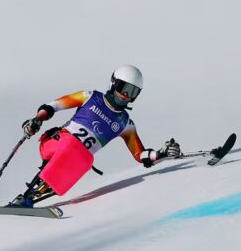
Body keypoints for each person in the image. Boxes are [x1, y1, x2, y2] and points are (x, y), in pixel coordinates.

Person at [9, 65, 182, 207]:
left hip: (76, 158)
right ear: (113, 83)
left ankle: (34, 197)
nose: (126, 95)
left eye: (133, 92)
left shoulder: (125, 123)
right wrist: (37, 120)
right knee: (72, 146)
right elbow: (53, 106)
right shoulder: (90, 97)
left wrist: (161, 154)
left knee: (86, 160)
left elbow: (139, 154)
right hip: (54, 143)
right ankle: (24, 197)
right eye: (124, 88)